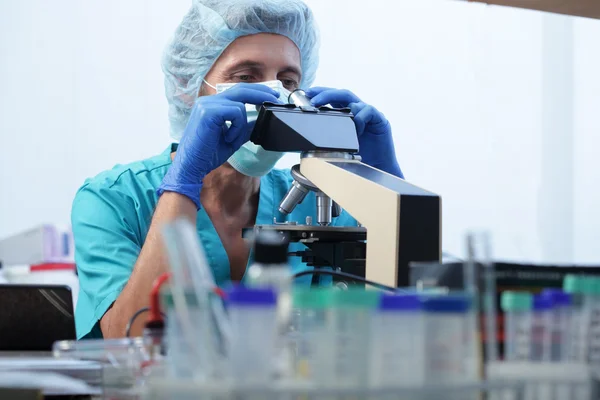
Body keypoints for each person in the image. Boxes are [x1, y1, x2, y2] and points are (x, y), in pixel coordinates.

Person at [71, 0, 404, 340]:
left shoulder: (319, 205)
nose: (274, 97)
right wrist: (182, 184)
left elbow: (406, 328)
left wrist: (389, 188)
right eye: (246, 77)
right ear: (189, 86)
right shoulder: (113, 200)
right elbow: (131, 340)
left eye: (288, 82)